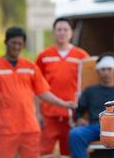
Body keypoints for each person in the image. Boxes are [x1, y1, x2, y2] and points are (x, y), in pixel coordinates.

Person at [0, 27, 74, 158]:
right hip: (4, 129)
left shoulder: (30, 67)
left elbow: (42, 92)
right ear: (6, 42)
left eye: (20, 44)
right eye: (14, 43)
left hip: (29, 128)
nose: (17, 47)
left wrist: (63, 103)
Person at [35, 18, 89, 157]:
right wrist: (37, 113)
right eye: (59, 29)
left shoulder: (82, 56)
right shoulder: (43, 56)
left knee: (70, 153)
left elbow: (87, 86)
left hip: (72, 114)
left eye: (65, 29)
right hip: (48, 115)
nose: (62, 33)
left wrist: (84, 114)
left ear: (71, 33)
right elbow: (36, 87)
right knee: (43, 153)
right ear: (54, 32)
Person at [69, 53, 114, 158]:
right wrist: (79, 118)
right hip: (94, 126)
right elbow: (79, 111)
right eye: (103, 69)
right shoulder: (90, 91)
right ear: (98, 71)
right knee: (75, 134)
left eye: (109, 69)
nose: (106, 72)